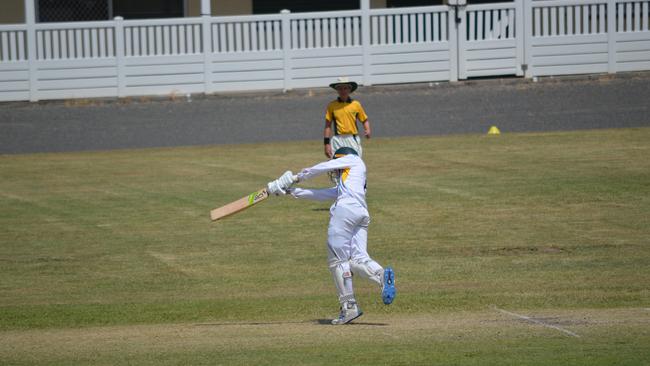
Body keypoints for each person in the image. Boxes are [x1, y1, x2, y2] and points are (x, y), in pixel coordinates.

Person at [267, 147, 395, 325]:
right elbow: (322, 195)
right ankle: (381, 275)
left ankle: (349, 307)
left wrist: (295, 178)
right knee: (357, 258)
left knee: (337, 261)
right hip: (361, 214)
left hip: (345, 212)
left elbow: (323, 167)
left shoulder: (353, 159)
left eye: (337, 166)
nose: (335, 171)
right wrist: (290, 191)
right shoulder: (351, 181)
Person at [324, 77, 371, 159]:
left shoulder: (356, 104)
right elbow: (328, 126)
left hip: (352, 138)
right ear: (337, 90)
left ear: (349, 90)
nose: (343, 91)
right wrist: (326, 144)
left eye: (345, 88)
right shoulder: (332, 105)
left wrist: (367, 129)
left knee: (354, 166)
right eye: (340, 88)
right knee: (338, 167)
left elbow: (364, 120)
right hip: (337, 140)